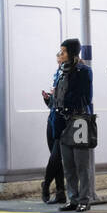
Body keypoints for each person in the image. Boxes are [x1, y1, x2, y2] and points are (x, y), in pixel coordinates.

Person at [55, 38, 96, 213]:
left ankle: (84, 199)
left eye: (63, 51)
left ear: (72, 53)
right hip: (62, 120)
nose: (60, 55)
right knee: (68, 164)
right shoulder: (60, 71)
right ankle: (73, 198)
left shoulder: (84, 71)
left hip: (79, 120)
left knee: (81, 163)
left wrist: (67, 100)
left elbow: (86, 97)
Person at [40, 60, 67, 204]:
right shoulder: (58, 75)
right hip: (52, 120)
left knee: (56, 157)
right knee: (55, 158)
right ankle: (60, 191)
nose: (59, 64)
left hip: (63, 121)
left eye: (61, 61)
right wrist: (49, 99)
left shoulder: (73, 74)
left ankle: (46, 184)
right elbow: (54, 104)